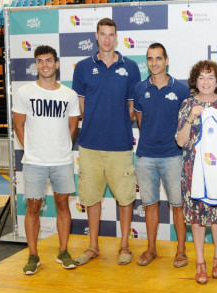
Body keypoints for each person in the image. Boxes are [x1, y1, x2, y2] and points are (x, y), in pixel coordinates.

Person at [71, 18, 140, 266]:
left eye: (111, 34)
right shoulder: (82, 67)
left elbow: (133, 107)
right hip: (89, 144)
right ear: (96, 36)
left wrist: (117, 121)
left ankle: (124, 246)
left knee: (125, 197)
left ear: (116, 37)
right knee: (91, 197)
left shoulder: (130, 67)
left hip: (120, 144)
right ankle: (93, 247)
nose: (107, 39)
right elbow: (81, 106)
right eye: (103, 34)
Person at [12, 45, 80, 274]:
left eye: (48, 60)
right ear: (36, 65)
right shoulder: (24, 93)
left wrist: (59, 147)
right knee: (33, 207)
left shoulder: (69, 95)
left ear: (56, 64)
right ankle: (33, 255)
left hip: (62, 160)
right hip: (34, 162)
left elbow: (73, 128)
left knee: (63, 205)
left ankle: (63, 251)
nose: (45, 65)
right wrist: (31, 149)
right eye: (40, 61)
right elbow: (18, 125)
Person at [176, 60, 217, 285]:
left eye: (210, 77)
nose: (206, 82)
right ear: (195, 82)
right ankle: (200, 261)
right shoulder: (187, 104)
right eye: (202, 77)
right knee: (197, 217)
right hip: (193, 168)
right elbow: (181, 142)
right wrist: (191, 117)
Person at [133, 43, 189, 268]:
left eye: (158, 58)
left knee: (178, 205)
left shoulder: (181, 89)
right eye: (150, 58)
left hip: (173, 156)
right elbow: (139, 119)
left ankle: (182, 251)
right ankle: (151, 249)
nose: (154, 63)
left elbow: (185, 123)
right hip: (145, 156)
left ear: (166, 61)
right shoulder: (139, 88)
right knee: (150, 205)